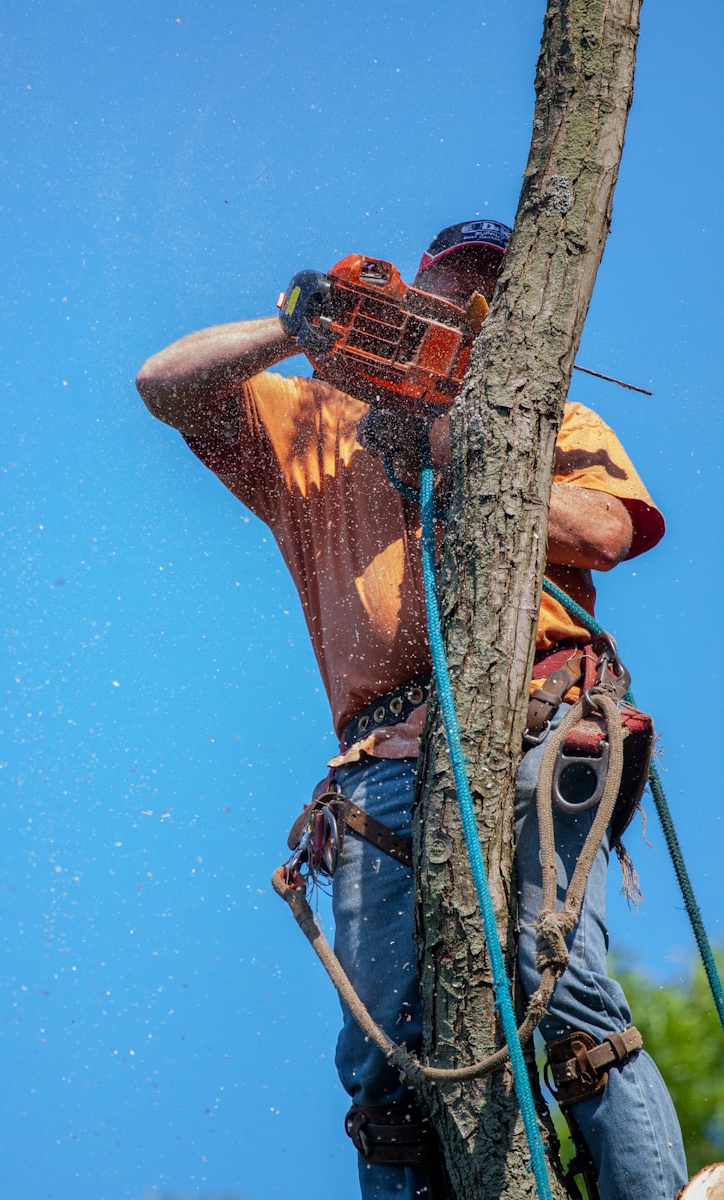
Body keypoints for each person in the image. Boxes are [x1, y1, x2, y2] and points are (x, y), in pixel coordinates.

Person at [136, 220, 687, 1200]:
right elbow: (165, 383)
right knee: (383, 1054)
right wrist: (294, 326)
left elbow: (605, 529)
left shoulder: (545, 419)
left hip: (537, 718)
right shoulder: (313, 419)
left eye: (488, 295)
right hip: (381, 757)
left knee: (559, 986)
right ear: (415, 292)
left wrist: (456, 456)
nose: (463, 311)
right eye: (449, 288)